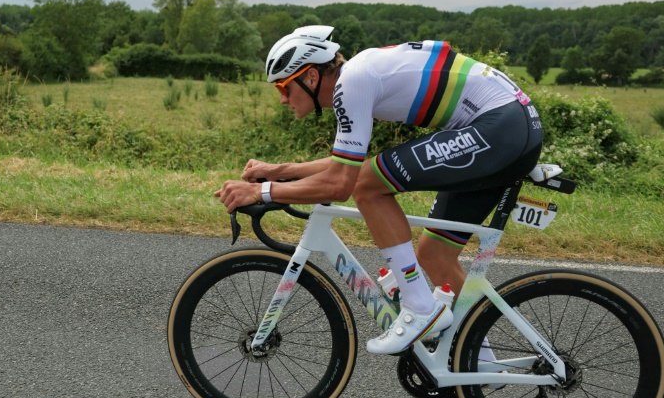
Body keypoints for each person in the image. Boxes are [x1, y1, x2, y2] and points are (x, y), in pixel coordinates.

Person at [215, 25, 542, 355]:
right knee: (433, 254)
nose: (283, 98)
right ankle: (479, 359)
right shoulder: (358, 76)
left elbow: (343, 184)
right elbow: (346, 165)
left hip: (500, 128)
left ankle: (420, 308)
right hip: (504, 127)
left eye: (284, 87)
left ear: (311, 78)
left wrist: (261, 192)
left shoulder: (352, 82)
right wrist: (276, 172)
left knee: (368, 189)